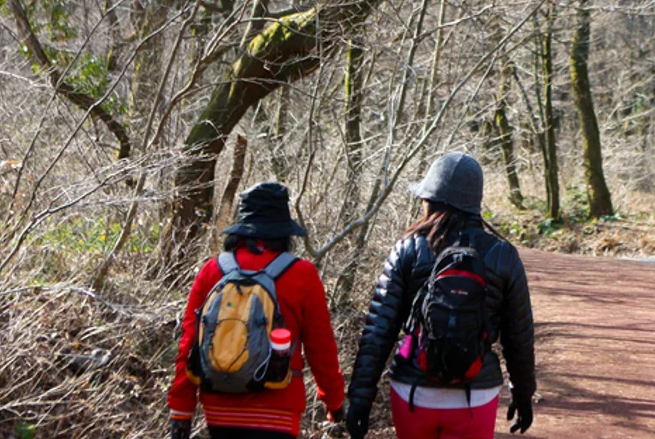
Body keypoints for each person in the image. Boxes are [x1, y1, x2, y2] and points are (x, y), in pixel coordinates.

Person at [345, 152, 536, 439]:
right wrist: (522, 394)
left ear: (432, 199)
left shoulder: (408, 249)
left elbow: (379, 329)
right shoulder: (503, 256)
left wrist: (361, 397)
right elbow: (519, 337)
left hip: (412, 392)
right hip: (475, 395)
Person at [168, 181, 346, 439]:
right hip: (279, 411)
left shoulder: (212, 271)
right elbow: (321, 348)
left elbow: (190, 343)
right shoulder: (302, 274)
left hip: (219, 410)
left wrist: (181, 412)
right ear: (284, 231)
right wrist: (334, 401)